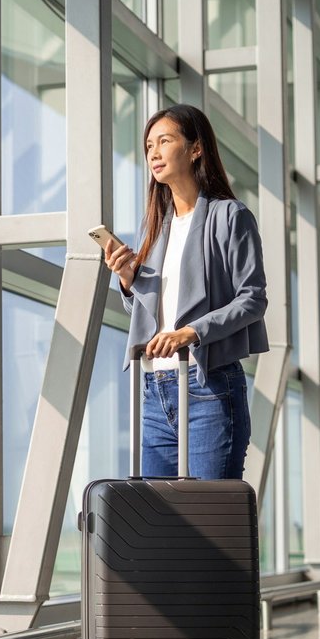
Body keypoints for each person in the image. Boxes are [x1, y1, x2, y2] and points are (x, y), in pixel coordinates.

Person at [104, 104, 268, 480]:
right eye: (149, 146)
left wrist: (192, 332)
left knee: (210, 513)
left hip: (208, 385)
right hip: (155, 390)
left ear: (195, 149)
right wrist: (128, 281)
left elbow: (253, 299)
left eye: (165, 141)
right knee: (159, 515)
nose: (154, 153)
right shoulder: (156, 228)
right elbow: (151, 315)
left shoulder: (231, 216)